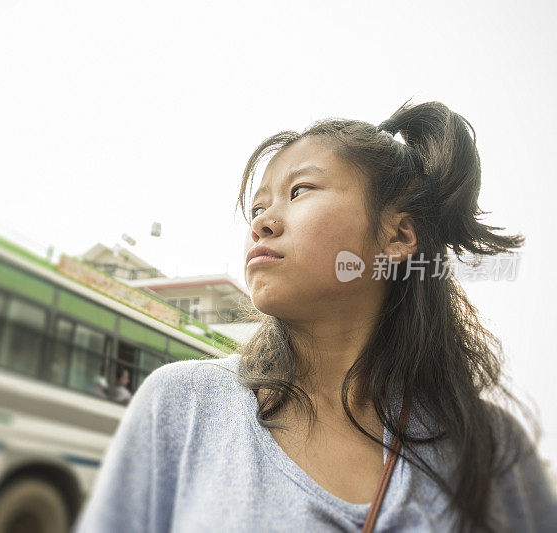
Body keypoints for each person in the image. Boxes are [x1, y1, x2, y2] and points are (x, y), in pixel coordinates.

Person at [72, 100, 557, 532]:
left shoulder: (490, 450)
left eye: (300, 190)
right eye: (258, 206)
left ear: (398, 238)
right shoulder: (182, 405)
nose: (262, 221)